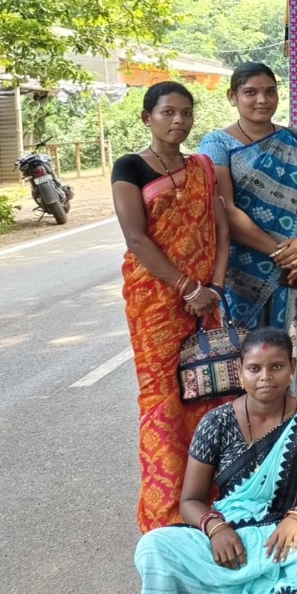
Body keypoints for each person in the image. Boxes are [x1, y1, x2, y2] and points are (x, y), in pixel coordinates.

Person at [134, 328, 297, 594]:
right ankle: (270, 590)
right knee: (152, 546)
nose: (265, 377)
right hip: (231, 535)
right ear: (239, 370)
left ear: (292, 367)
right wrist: (216, 529)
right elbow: (190, 500)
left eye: (277, 367)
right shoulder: (216, 423)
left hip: (284, 536)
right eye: (254, 368)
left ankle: (227, 590)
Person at [112, 81, 230, 533]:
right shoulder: (130, 167)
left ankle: (210, 497)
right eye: (168, 112)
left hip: (206, 301)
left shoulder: (202, 167)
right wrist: (186, 288)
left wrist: (213, 287)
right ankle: (165, 509)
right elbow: (136, 238)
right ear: (148, 118)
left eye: (186, 112)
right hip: (157, 303)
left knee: (209, 393)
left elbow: (220, 229)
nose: (178, 120)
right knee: (163, 399)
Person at [198, 63, 297, 405]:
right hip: (247, 273)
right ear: (232, 96)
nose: (261, 100)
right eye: (250, 92)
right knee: (251, 357)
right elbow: (226, 209)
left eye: (269, 91)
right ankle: (253, 430)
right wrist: (285, 253)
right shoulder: (217, 144)